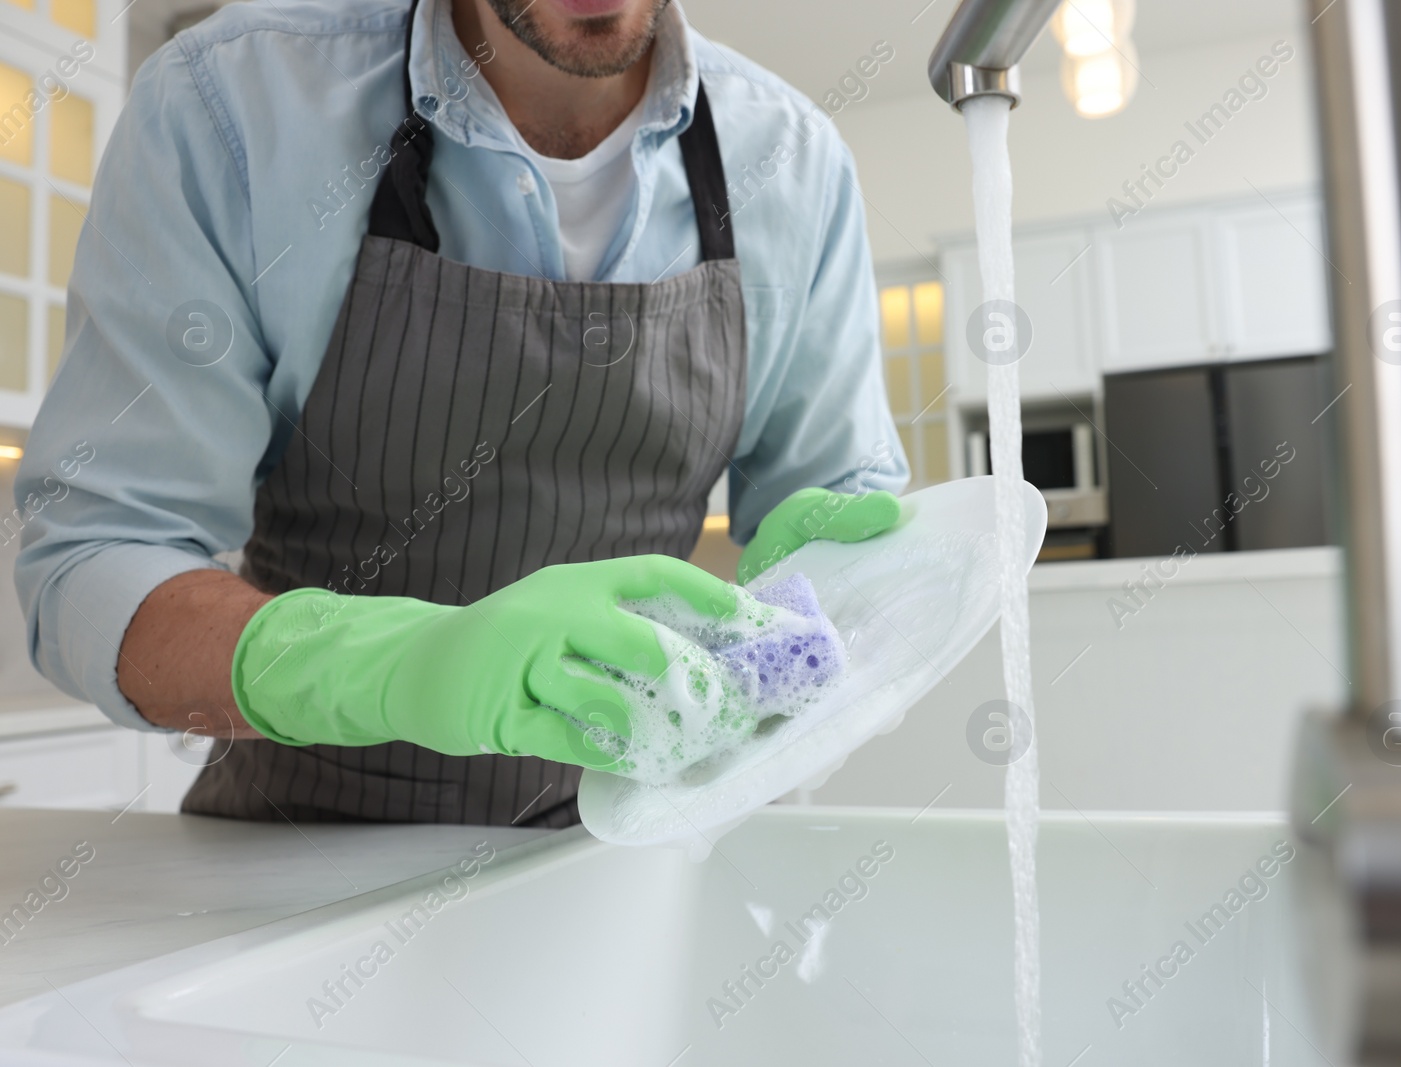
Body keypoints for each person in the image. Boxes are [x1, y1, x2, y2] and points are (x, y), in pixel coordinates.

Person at [12, 0, 908, 826]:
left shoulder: (797, 165)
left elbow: (849, 550)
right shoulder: (229, 108)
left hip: (643, 858)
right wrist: (400, 665)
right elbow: (95, 562)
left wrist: (842, 586)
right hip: (297, 866)